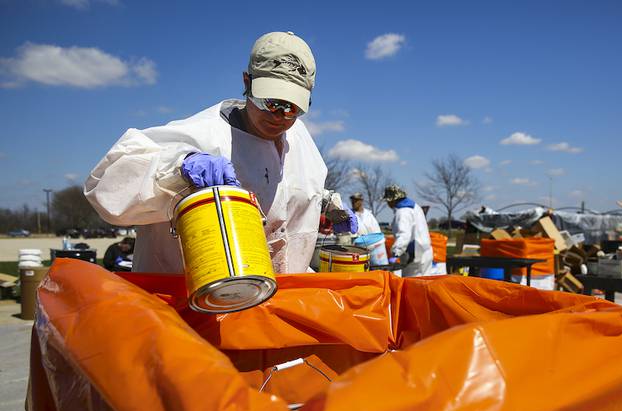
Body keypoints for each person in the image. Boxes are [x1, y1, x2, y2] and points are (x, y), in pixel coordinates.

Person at [84, 31, 355, 274]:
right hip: (187, 309)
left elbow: (295, 190)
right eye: (270, 101)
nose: (279, 116)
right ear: (247, 82)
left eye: (292, 106)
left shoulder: (301, 140)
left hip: (274, 304)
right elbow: (107, 191)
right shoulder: (203, 136)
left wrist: (325, 204)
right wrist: (179, 168)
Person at [383, 184, 433, 277]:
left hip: (414, 256)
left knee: (412, 286)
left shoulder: (402, 212)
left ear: (392, 200)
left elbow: (404, 235)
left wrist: (395, 253)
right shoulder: (414, 206)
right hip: (425, 251)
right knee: (425, 284)